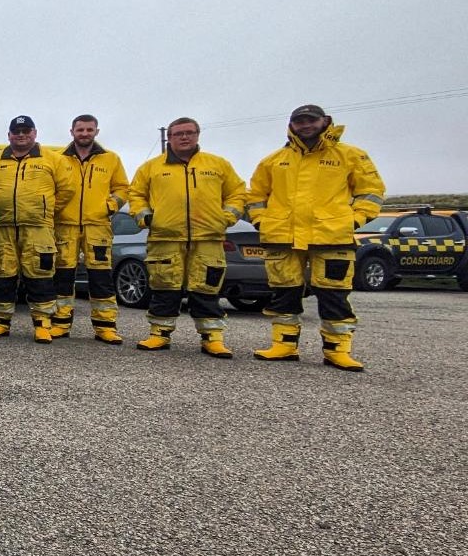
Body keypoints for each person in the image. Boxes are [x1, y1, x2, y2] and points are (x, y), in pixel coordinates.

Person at [245, 105, 385, 371]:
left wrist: (353, 220)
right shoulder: (274, 160)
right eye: (300, 121)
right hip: (283, 237)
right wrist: (262, 221)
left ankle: (337, 350)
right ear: (291, 125)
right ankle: (284, 345)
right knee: (284, 293)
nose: (305, 125)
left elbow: (372, 192)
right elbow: (255, 195)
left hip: (331, 237)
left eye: (311, 120)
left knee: (334, 294)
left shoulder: (351, 155)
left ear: (325, 121)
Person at [128, 117, 247, 358]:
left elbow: (238, 193)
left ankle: (212, 338)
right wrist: (146, 218)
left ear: (197, 135)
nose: (184, 137)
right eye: (178, 133)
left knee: (206, 288)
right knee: (164, 287)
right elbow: (136, 195)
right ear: (169, 137)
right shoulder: (151, 167)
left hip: (208, 239)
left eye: (189, 133)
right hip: (165, 238)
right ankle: (159, 334)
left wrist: (226, 218)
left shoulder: (218, 164)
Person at [0, 115, 74, 344]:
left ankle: (42, 324)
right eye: (16, 131)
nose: (21, 135)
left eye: (26, 131)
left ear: (35, 133)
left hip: (38, 228)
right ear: (9, 135)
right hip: (2, 227)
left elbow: (66, 190)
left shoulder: (53, 160)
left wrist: (45, 210)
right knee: (1, 274)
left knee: (40, 276)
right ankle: (0, 322)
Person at [51, 114, 131, 343]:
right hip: (65, 226)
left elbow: (123, 189)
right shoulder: (58, 159)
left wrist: (110, 206)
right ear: (72, 132)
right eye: (80, 130)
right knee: (62, 276)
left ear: (96, 131)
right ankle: (60, 323)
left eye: (89, 129)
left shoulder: (110, 159)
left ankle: (105, 327)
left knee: (100, 276)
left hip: (97, 226)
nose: (84, 134)